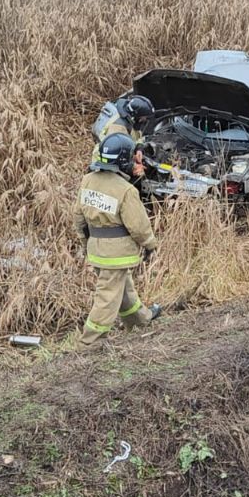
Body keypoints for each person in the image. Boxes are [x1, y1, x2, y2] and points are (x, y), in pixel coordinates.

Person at [74, 133, 162, 346]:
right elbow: (139, 226)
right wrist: (150, 245)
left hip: (96, 248)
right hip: (117, 253)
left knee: (122, 287)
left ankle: (139, 319)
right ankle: (90, 341)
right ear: (123, 160)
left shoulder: (88, 180)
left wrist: (84, 243)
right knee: (107, 295)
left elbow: (79, 217)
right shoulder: (125, 190)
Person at [91, 94, 154, 179]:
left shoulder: (129, 118)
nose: (144, 120)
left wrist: (139, 147)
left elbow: (136, 136)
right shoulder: (118, 129)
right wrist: (133, 167)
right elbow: (116, 160)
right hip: (105, 166)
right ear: (135, 116)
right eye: (143, 118)